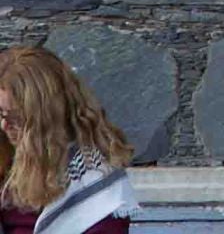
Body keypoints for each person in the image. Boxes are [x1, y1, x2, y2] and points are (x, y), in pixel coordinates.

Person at [0, 47, 137, 234]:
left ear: (45, 120)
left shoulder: (96, 189)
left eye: (15, 118)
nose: (4, 126)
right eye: (0, 113)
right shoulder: (6, 154)